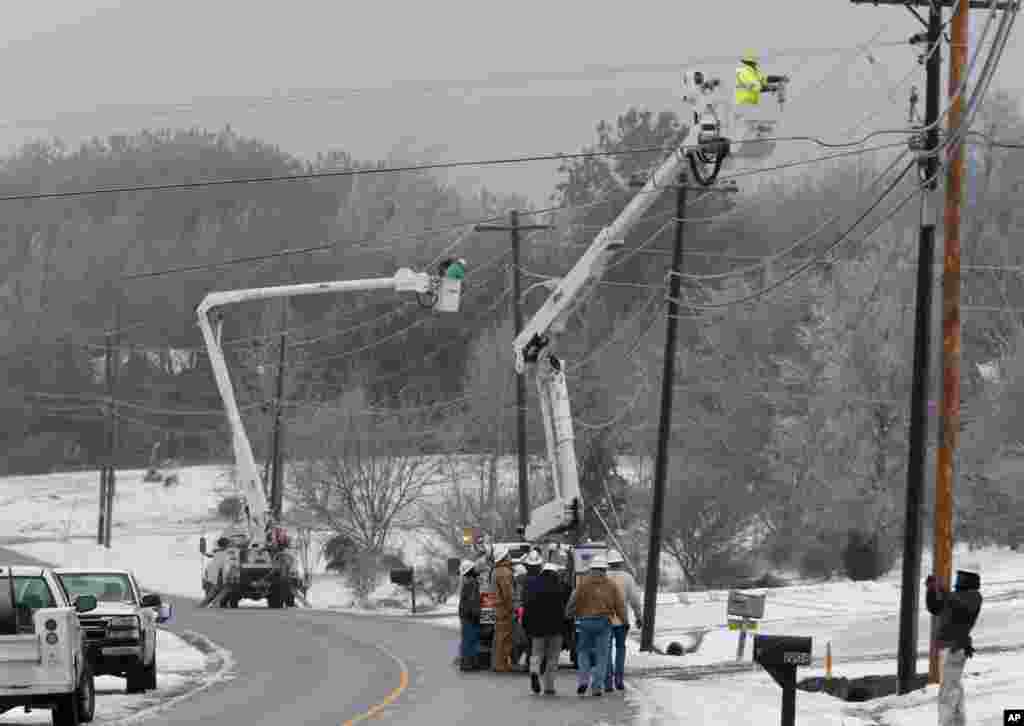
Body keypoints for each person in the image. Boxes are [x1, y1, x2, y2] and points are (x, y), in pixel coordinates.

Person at [925, 570, 982, 726]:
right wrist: (931, 589)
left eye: (961, 577)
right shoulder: (956, 596)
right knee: (953, 689)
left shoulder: (973, 597)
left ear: (969, 581)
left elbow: (954, 601)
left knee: (948, 693)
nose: (958, 580)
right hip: (947, 648)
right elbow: (935, 607)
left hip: (955, 648)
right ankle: (958, 723)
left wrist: (942, 589)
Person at [565, 554, 626, 697]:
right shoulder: (611, 585)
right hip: (604, 623)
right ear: (604, 569)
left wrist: (568, 614)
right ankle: (597, 686)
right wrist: (624, 620)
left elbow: (573, 602)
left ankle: (583, 680)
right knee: (602, 655)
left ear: (591, 569)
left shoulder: (583, 584)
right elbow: (620, 605)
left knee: (583, 652)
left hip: (585, 623)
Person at [523, 562, 569, 696]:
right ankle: (549, 687)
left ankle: (534, 671)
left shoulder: (533, 587)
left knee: (536, 653)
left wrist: (526, 625)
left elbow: (527, 607)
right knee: (553, 657)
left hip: (537, 628)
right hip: (557, 628)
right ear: (555, 573)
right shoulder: (563, 587)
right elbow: (568, 609)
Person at [604, 550, 644, 692]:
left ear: (608, 563)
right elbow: (635, 601)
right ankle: (619, 680)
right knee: (620, 649)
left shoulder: (603, 577)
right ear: (620, 563)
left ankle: (608, 682)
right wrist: (639, 618)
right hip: (621, 620)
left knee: (606, 650)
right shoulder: (628, 578)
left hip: (605, 621)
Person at [491, 546, 516, 673]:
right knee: (504, 638)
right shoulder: (504, 572)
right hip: (504, 609)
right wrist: (513, 607)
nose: (510, 556)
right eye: (508, 554)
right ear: (505, 556)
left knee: (499, 637)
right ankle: (501, 664)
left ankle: (498, 663)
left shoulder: (496, 571)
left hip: (498, 608)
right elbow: (508, 593)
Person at [458, 560, 482, 672]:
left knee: (468, 639)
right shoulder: (472, 582)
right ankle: (468, 664)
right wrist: (476, 614)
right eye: (474, 568)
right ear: (470, 570)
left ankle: (467, 663)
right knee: (470, 640)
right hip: (470, 615)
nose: (477, 569)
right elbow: (472, 601)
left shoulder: (466, 581)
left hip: (466, 614)